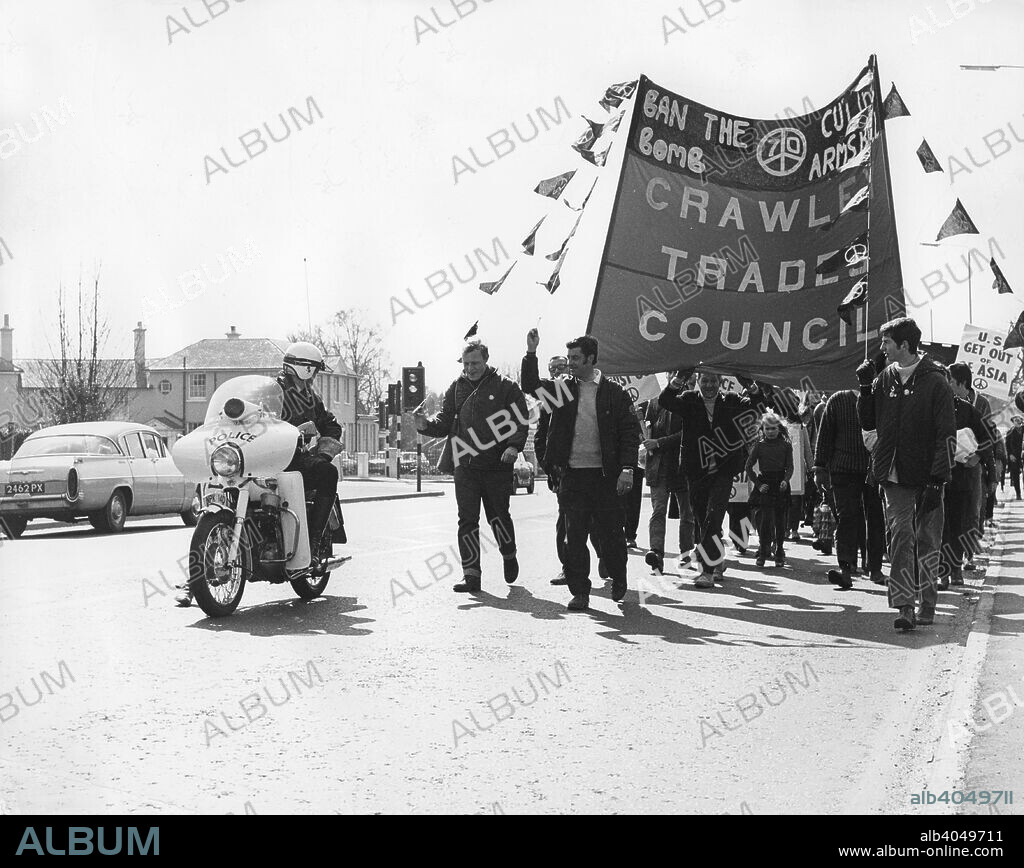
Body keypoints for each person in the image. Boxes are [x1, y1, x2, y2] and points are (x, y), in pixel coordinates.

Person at [176, 340, 344, 607]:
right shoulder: (268, 392)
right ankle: (195, 579)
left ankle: (311, 541)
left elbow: (331, 427)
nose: (314, 377)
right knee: (221, 500)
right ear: (306, 369)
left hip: (293, 461)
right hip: (257, 459)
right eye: (313, 370)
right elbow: (239, 420)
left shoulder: (313, 399)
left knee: (326, 473)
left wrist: (322, 451)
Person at [857, 317, 955, 631]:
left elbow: (947, 435)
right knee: (901, 537)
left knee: (927, 541)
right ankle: (904, 606)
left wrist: (937, 479)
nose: (882, 348)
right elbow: (869, 420)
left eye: (887, 342)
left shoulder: (935, 381)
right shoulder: (883, 378)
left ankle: (927, 605)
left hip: (927, 476)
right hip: (892, 473)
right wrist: (864, 388)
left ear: (904, 344)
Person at [415, 340, 528, 593]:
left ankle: (508, 554)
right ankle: (471, 574)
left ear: (486, 360)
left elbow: (521, 419)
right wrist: (424, 425)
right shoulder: (456, 388)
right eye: (466, 364)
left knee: (498, 517)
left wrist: (514, 446)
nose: (470, 368)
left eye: (475, 363)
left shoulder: (506, 386)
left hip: (497, 464)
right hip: (465, 464)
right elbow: (444, 423)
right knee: (467, 520)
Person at [542, 334, 638, 611]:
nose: (569, 363)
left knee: (612, 536)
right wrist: (531, 352)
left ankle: (619, 577)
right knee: (575, 537)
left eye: (575, 358)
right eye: (568, 357)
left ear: (590, 359)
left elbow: (629, 434)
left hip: (605, 477)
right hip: (573, 475)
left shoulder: (614, 393)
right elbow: (530, 385)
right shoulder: (562, 390)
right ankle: (580, 591)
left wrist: (627, 469)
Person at [658, 369, 768, 587]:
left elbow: (759, 407)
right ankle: (716, 560)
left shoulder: (733, 400)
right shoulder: (689, 399)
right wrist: (679, 378)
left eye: (713, 381)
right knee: (702, 518)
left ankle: (707, 572)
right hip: (696, 470)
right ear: (698, 381)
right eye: (704, 381)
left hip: (724, 470)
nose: (709, 385)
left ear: (721, 382)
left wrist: (751, 385)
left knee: (714, 516)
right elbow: (665, 400)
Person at [522, 328, 603, 585]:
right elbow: (541, 434)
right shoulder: (555, 395)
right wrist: (549, 464)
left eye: (565, 364)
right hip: (566, 471)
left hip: (597, 470)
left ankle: (606, 556)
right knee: (568, 523)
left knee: (598, 521)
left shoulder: (601, 391)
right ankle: (571, 571)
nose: (561, 369)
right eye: (555, 366)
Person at [813, 382, 886, 589]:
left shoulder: (879, 400)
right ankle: (846, 567)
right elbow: (824, 436)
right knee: (847, 517)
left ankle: (875, 567)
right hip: (843, 469)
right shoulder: (837, 400)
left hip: (873, 469)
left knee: (875, 517)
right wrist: (819, 468)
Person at [940, 364, 994, 589]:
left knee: (958, 524)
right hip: (936, 478)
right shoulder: (929, 409)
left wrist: (978, 457)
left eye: (947, 383)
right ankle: (940, 572)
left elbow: (988, 436)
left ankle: (954, 571)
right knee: (939, 527)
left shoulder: (967, 409)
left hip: (960, 478)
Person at [643, 392, 693, 574]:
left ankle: (686, 554)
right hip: (659, 466)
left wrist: (659, 443)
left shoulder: (689, 401)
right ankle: (656, 553)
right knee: (658, 511)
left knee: (687, 513)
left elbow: (688, 432)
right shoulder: (654, 401)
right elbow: (647, 428)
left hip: (683, 466)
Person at [745, 411, 793, 568]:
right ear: (762, 429)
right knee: (765, 521)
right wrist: (758, 484)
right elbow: (748, 467)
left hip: (780, 485)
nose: (770, 432)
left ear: (779, 428)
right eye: (767, 428)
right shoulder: (759, 446)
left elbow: (790, 467)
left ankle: (779, 550)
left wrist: (786, 481)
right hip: (765, 484)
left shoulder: (786, 446)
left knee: (780, 521)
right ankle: (763, 549)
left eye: (773, 428)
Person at [1006, 415, 1023, 500]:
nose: (1017, 421)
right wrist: (1010, 455)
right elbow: (1007, 445)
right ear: (1013, 422)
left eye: (1018, 419)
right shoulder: (1010, 432)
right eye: (1015, 420)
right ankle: (1018, 493)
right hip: (1015, 456)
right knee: (1015, 476)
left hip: (1023, 455)